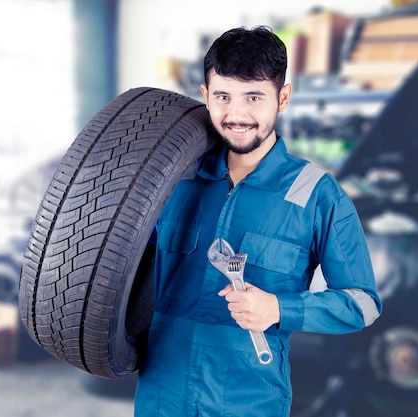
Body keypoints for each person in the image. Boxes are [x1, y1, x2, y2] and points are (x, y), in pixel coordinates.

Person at [134, 25, 381, 417]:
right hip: (162, 397)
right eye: (223, 96)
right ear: (205, 96)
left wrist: (279, 309)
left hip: (248, 402)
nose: (237, 115)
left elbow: (363, 303)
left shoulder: (316, 194)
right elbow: (115, 268)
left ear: (282, 98)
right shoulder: (172, 180)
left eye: (254, 97)